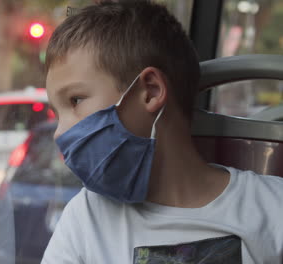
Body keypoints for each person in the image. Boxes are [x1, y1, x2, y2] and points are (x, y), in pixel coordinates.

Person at [42, 1, 283, 263]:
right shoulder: (84, 220)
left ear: (151, 91)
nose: (60, 133)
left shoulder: (272, 208)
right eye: (57, 113)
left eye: (75, 100)